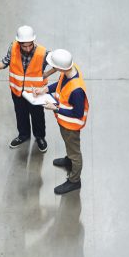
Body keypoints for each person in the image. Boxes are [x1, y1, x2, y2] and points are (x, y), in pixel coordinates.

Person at [0, 26, 56, 152]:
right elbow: (5, 62)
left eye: (30, 45)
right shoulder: (13, 47)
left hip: (35, 93)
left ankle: (40, 137)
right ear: (19, 43)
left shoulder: (43, 53)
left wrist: (46, 74)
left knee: (37, 116)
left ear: (33, 41)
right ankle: (23, 135)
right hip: (17, 91)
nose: (27, 48)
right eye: (24, 46)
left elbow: (57, 64)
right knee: (20, 114)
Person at [33, 49, 88, 195]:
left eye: (55, 67)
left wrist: (55, 108)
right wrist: (45, 89)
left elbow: (77, 113)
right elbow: (60, 84)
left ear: (61, 67)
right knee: (69, 147)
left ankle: (75, 180)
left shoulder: (77, 91)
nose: (53, 69)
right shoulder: (70, 69)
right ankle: (69, 160)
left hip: (71, 126)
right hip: (64, 123)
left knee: (74, 152)